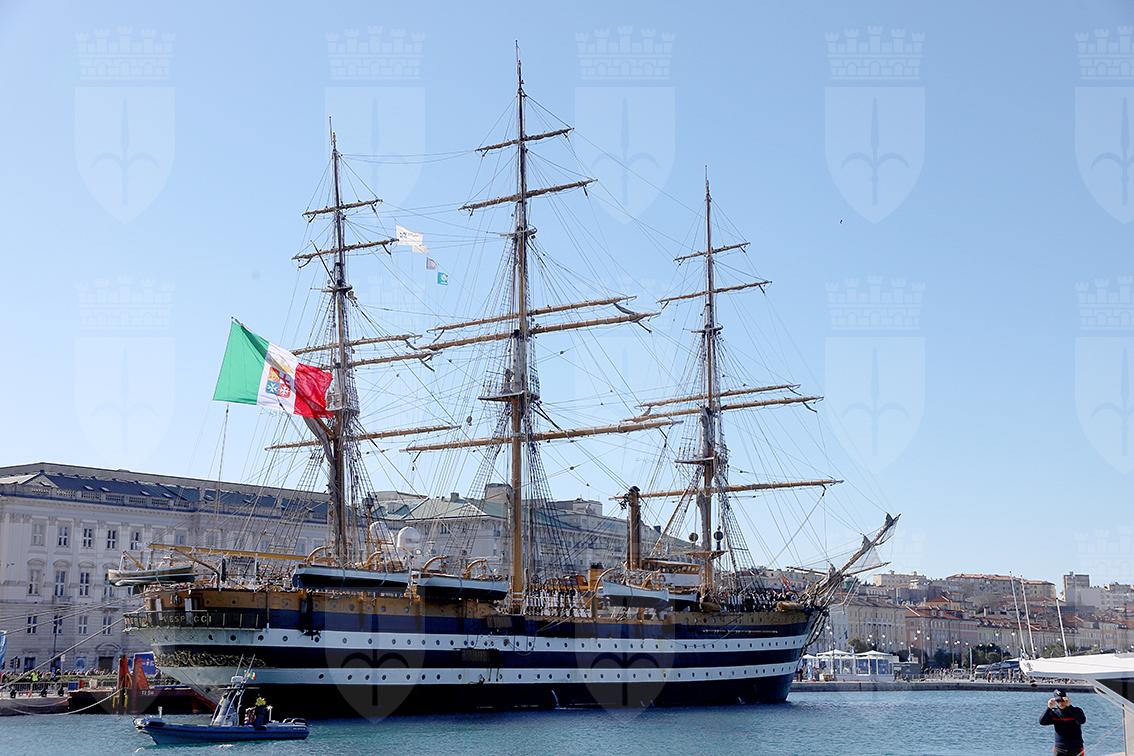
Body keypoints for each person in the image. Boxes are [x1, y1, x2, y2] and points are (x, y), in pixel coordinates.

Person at [1040, 688, 1087, 756]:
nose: (1061, 703)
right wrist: (1049, 708)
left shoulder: (1076, 710)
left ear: (1066, 699)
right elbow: (1042, 722)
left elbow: (1082, 721)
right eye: (1058, 701)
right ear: (1055, 701)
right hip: (1059, 749)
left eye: (1062, 700)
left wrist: (1069, 706)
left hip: (1076, 748)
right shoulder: (1054, 713)